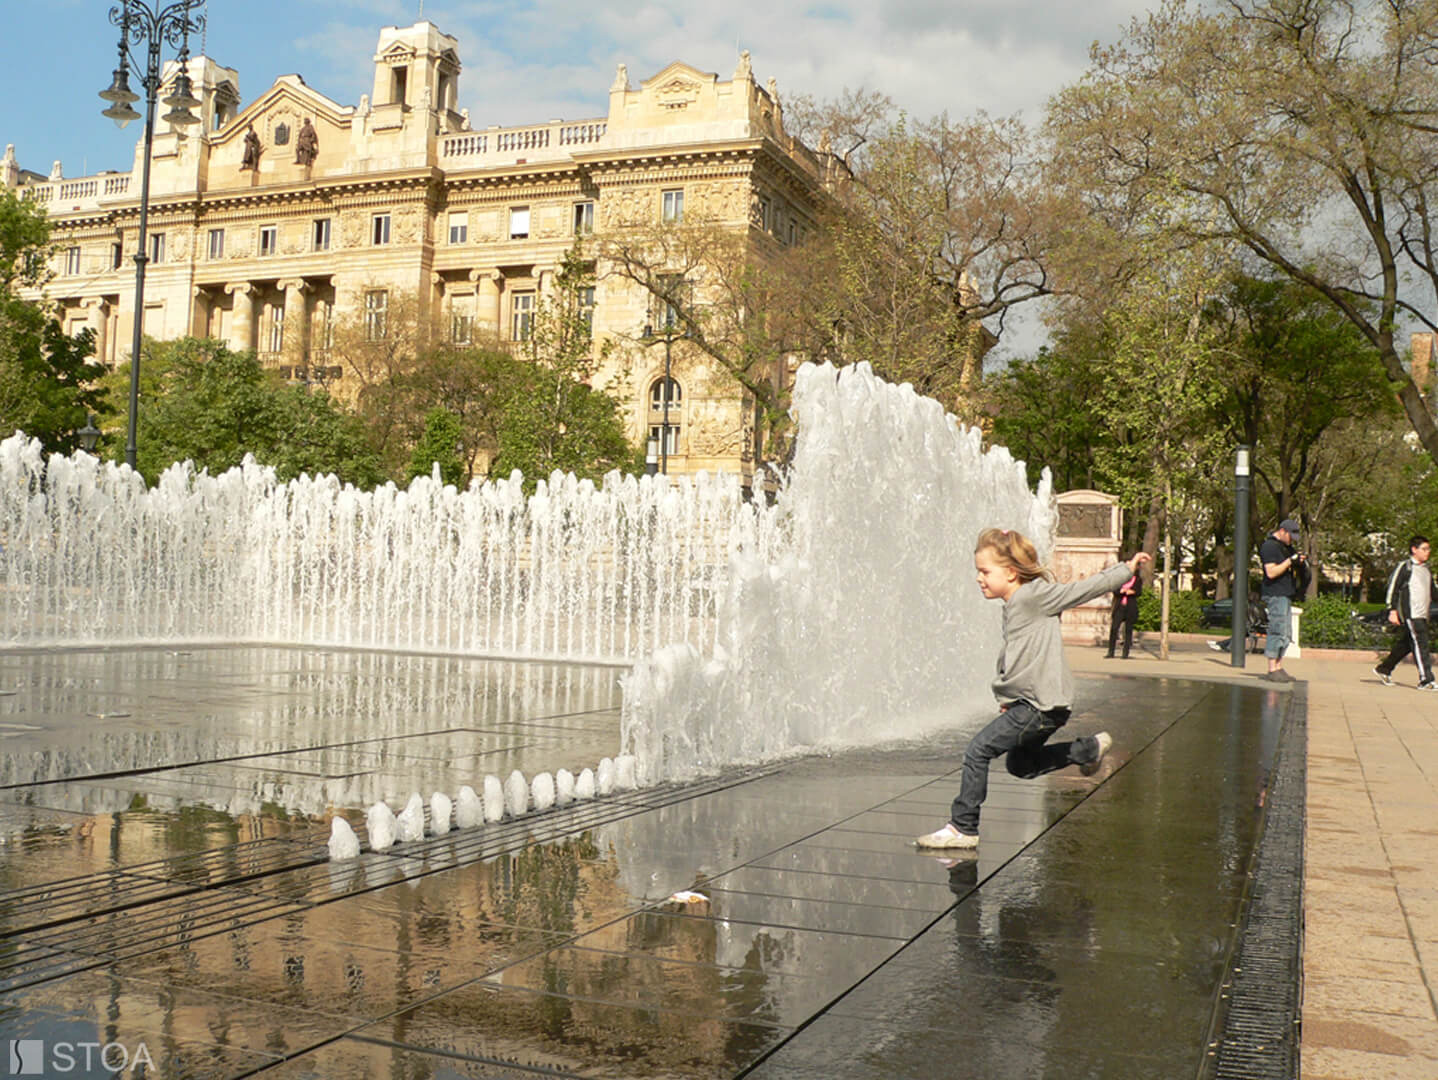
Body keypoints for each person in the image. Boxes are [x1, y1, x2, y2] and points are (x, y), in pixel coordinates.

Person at [915, 528, 1151, 850]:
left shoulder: (1034, 596)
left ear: (1011, 573)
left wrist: (1125, 569)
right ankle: (1086, 750)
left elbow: (1081, 590)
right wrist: (1010, 699)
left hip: (1039, 706)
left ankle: (963, 827)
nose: (979, 579)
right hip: (1040, 706)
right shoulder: (1015, 604)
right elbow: (1019, 655)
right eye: (977, 572)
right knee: (1021, 765)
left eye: (985, 572)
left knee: (978, 750)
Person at [1373, 535, 1435, 689]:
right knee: (1421, 644)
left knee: (1407, 643)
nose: (1428, 552)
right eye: (1424, 549)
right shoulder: (1405, 567)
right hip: (1411, 614)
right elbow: (1392, 589)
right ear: (1414, 550)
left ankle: (1384, 668)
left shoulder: (1426, 570)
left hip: (1422, 614)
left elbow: (1433, 592)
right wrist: (1391, 610)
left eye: (1429, 549)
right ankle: (1426, 680)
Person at [1258, 517, 1305, 682]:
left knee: (1285, 632)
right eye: (1290, 536)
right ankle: (1272, 669)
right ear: (1283, 531)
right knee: (1277, 629)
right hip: (1275, 593)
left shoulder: (1286, 547)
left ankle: (1278, 666)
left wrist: (1298, 561)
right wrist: (1289, 561)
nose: (1292, 540)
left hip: (1285, 593)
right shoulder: (1269, 547)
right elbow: (1271, 572)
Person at [1105, 556, 1144, 659]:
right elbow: (1115, 590)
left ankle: (1125, 653)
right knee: (1114, 628)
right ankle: (1111, 651)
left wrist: (1132, 592)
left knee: (1128, 630)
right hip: (1119, 606)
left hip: (1130, 607)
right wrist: (1121, 591)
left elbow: (1139, 592)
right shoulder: (1120, 579)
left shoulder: (1137, 579)